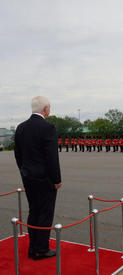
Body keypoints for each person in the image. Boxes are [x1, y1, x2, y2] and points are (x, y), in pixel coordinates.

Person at [14, 96, 62, 260]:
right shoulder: (47, 127)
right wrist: (56, 179)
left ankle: (33, 246)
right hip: (45, 179)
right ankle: (41, 249)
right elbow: (52, 157)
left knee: (33, 211)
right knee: (45, 214)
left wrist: (25, 172)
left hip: (29, 178)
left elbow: (18, 155)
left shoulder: (20, 128)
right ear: (45, 109)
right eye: (49, 107)